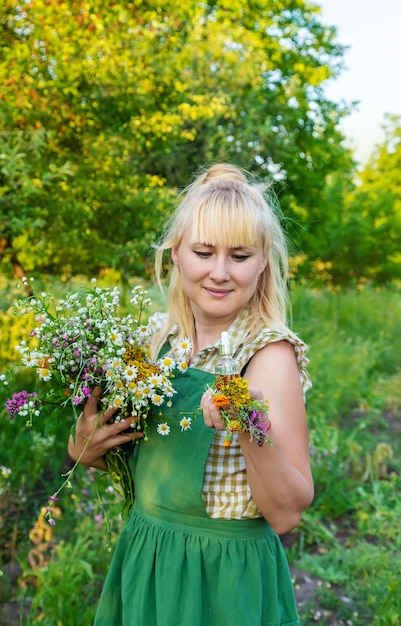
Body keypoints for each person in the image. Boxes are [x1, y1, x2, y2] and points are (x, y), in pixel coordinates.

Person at [68, 163, 314, 626]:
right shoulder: (160, 341)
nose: (220, 273)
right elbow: (143, 463)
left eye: (240, 256)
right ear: (176, 253)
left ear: (264, 261)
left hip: (221, 579)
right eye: (204, 252)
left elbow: (287, 514)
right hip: (150, 561)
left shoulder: (268, 354)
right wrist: (86, 447)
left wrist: (247, 421)